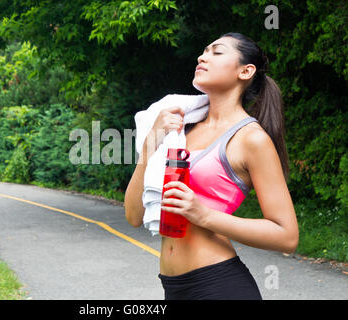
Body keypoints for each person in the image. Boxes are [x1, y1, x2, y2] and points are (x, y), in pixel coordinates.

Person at [124, 32, 299, 300]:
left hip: (219, 286)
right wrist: (150, 145)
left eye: (216, 52)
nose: (202, 57)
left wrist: (203, 215)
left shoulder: (251, 139)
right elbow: (134, 216)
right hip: (173, 288)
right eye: (204, 51)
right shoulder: (181, 129)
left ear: (246, 71)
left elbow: (286, 236)